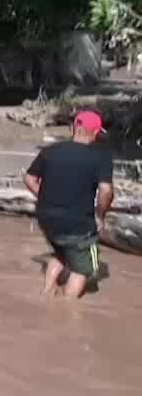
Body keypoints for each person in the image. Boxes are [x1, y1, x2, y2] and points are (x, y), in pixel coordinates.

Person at [24, 110, 114, 299]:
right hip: (78, 224)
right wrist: (100, 216)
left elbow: (29, 178)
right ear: (95, 133)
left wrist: (46, 198)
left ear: (74, 128)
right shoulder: (101, 157)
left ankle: (46, 294)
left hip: (47, 220)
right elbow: (106, 191)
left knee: (61, 254)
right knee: (83, 269)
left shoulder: (50, 151)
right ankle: (66, 307)